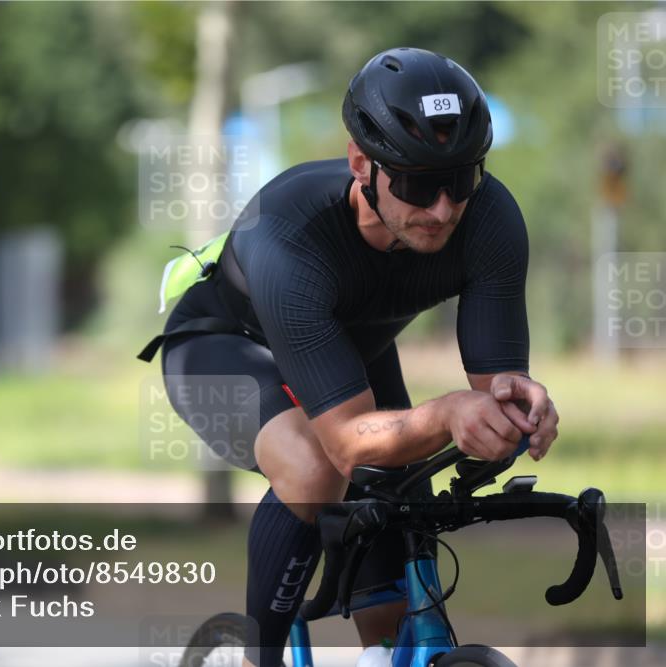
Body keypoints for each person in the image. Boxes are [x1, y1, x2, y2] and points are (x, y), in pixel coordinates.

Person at [139, 47, 561, 667]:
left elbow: (497, 383)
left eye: (461, 180)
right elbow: (345, 442)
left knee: (399, 511)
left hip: (351, 351)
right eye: (417, 184)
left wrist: (518, 409)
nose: (443, 208)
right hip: (226, 350)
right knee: (316, 468)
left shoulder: (490, 218)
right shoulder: (290, 232)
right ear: (362, 163)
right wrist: (446, 413)